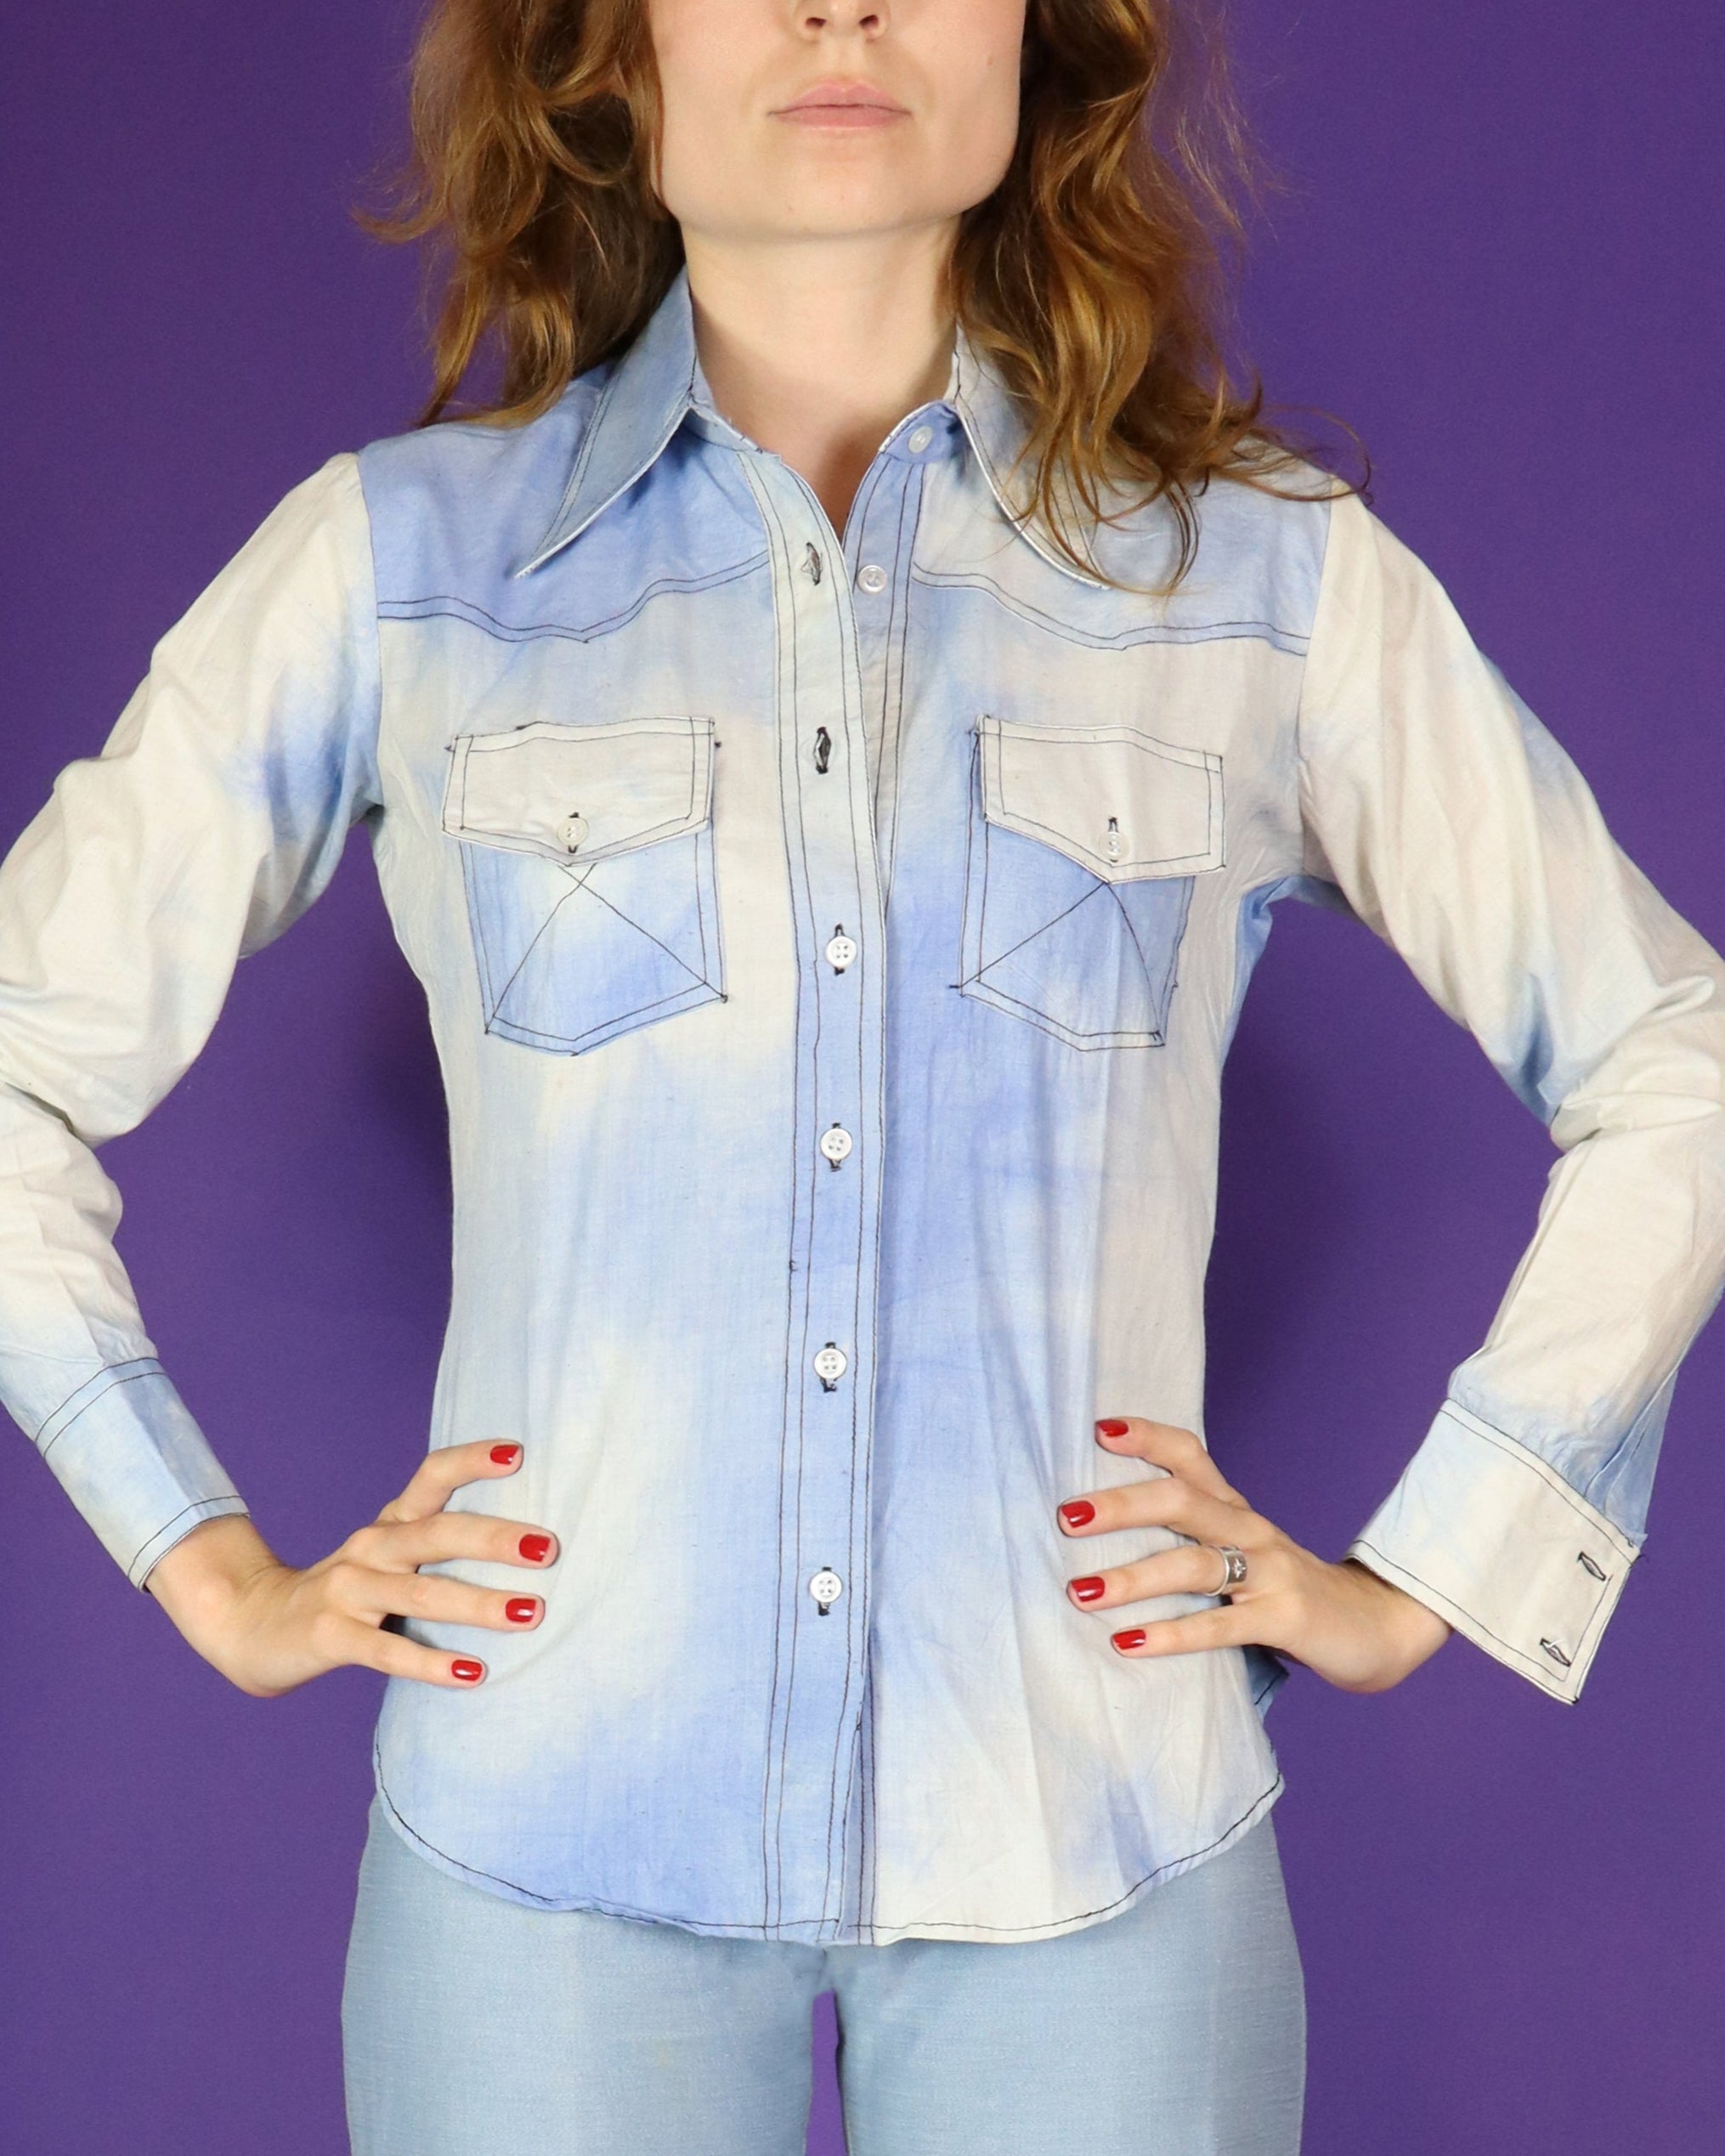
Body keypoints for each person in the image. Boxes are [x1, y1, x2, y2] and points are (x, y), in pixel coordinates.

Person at [2, 1, 1720, 2151]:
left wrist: (1439, 1568)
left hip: (1101, 1856)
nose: (839, 9)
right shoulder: (400, 572)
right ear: (611, 53)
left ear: (1036, 38)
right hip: (540, 1867)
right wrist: (207, 1561)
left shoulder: (1259, 582)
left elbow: (1674, 1052)